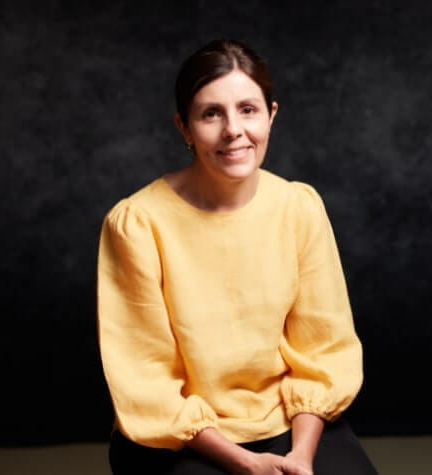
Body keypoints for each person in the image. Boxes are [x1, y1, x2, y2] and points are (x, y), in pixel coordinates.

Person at [96, 39, 378, 475]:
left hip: (285, 418)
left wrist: (300, 458)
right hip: (178, 435)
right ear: (185, 128)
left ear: (271, 115)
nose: (233, 130)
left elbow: (322, 350)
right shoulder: (136, 224)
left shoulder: (298, 206)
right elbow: (147, 380)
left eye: (248, 109)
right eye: (211, 113)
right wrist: (246, 464)